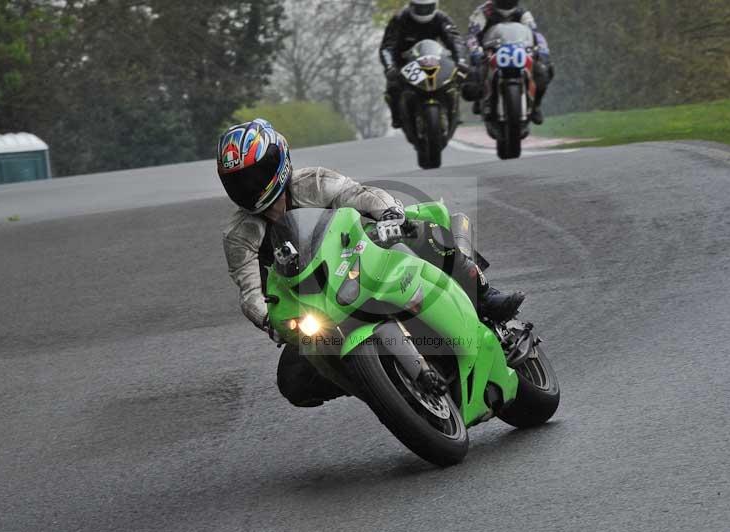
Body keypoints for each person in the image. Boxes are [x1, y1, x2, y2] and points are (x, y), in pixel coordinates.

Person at [219, 119, 525, 406]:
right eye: (239, 181)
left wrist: (388, 213)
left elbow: (359, 194)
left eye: (257, 174)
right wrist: (268, 320)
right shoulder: (238, 235)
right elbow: (250, 292)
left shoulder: (312, 182)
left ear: (280, 160)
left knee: (419, 228)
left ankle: (484, 295)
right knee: (293, 381)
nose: (250, 187)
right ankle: (381, 384)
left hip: (364, 256)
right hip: (319, 308)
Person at [379, 0, 469, 128]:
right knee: (393, 86)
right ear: (411, 6)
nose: (423, 12)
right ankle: (397, 115)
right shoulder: (399, 19)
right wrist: (389, 66)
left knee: (456, 77)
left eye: (428, 8)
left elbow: (456, 41)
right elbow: (387, 46)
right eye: (419, 8)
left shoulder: (441, 18)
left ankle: (453, 109)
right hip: (404, 60)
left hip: (434, 58)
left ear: (435, 6)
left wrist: (461, 60)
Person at [464, 0, 554, 124]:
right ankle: (480, 99)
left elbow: (535, 33)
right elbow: (471, 35)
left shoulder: (522, 12)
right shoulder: (483, 12)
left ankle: (536, 105)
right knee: (475, 73)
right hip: (490, 52)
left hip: (518, 52)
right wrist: (476, 51)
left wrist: (542, 49)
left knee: (543, 70)